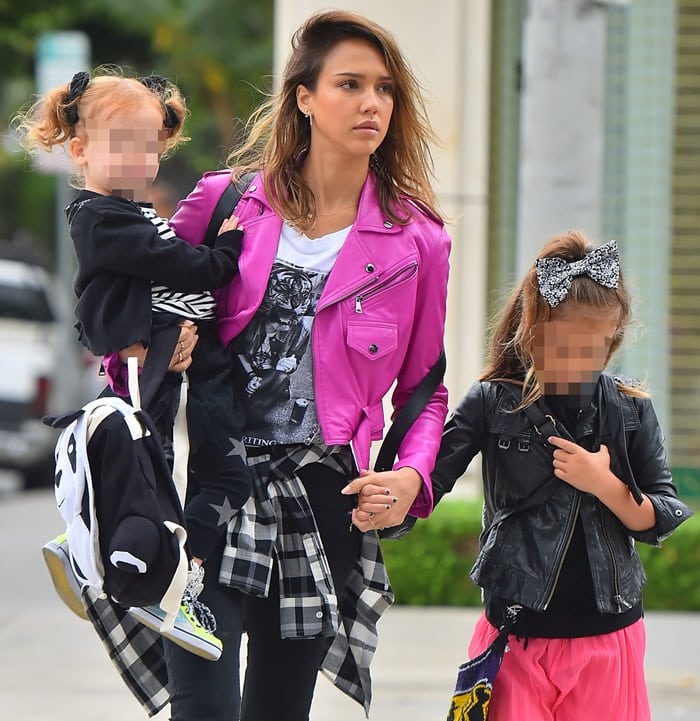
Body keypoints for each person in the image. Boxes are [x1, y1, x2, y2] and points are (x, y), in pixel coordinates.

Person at [103, 10, 451, 720]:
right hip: (210, 498)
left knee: (278, 710)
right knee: (204, 709)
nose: (371, 103)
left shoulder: (418, 241)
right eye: (350, 84)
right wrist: (152, 340)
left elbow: (425, 389)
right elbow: (127, 322)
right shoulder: (227, 201)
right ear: (304, 97)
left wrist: (412, 476)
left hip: (325, 508)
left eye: (384, 89)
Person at [16, 67, 253, 660]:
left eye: (148, 144)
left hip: (172, 358)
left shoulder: (131, 212)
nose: (138, 157)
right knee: (149, 479)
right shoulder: (99, 217)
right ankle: (149, 578)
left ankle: (158, 572)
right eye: (121, 142)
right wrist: (225, 252)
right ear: (79, 149)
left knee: (204, 475)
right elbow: (177, 264)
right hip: (141, 363)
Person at [428, 230, 693, 721]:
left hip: (609, 639)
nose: (581, 361)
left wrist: (604, 482)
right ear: (534, 329)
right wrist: (396, 491)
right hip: (514, 637)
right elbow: (430, 477)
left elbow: (660, 514)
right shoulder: (492, 401)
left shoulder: (631, 407)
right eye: (566, 344)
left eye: (597, 346)